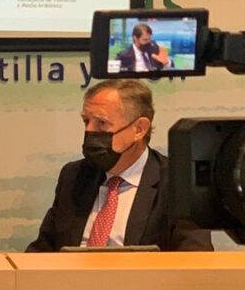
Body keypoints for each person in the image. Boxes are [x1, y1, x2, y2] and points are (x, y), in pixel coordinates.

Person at [26, 79, 212, 251]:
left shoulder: (179, 182)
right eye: (86, 121)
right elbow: (43, 249)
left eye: (101, 123)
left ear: (139, 129)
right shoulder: (74, 175)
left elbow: (196, 257)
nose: (89, 130)